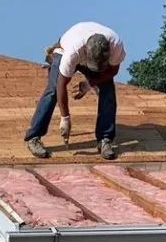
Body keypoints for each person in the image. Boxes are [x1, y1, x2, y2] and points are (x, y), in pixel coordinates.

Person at [24, 21, 126, 160]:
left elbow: (113, 70)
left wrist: (90, 83)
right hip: (64, 51)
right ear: (86, 53)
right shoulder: (73, 51)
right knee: (53, 89)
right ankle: (33, 137)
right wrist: (65, 118)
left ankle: (105, 139)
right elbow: (61, 84)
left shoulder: (115, 45)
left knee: (107, 92)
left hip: (87, 54)